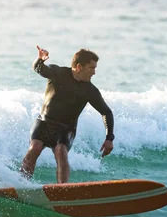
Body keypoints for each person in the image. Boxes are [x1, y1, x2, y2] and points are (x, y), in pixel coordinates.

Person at [20, 45, 115, 183]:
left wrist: (109, 138)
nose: (94, 72)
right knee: (35, 147)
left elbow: (106, 112)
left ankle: (62, 190)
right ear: (79, 66)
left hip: (66, 129)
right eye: (91, 68)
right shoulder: (58, 73)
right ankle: (21, 184)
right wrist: (40, 60)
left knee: (61, 152)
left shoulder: (90, 90)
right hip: (44, 122)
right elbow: (38, 68)